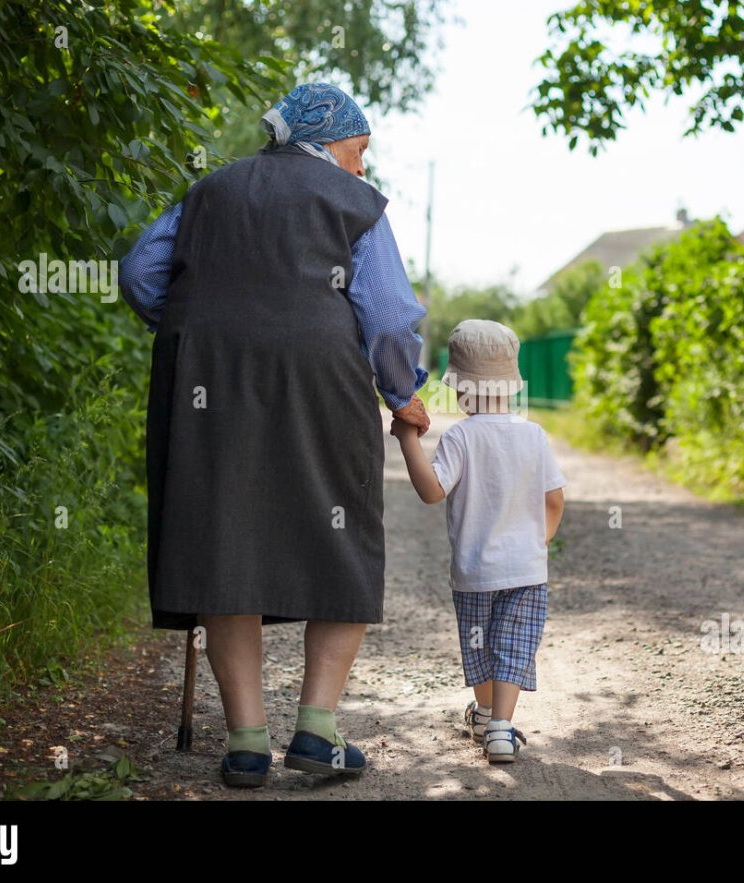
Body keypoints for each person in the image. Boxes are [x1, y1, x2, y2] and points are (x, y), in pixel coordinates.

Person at [118, 82, 431, 787]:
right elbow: (385, 316)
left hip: (210, 378)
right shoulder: (358, 203)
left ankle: (247, 743)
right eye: (358, 151)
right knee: (341, 535)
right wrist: (402, 392)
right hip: (323, 380)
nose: (361, 167)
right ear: (327, 141)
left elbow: (139, 272)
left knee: (222, 534)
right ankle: (317, 732)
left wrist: (203, 323)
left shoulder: (210, 191)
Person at [391, 319, 566, 763]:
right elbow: (555, 501)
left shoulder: (460, 437)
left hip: (474, 571)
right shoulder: (534, 435)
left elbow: (432, 491)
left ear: (460, 389)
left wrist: (408, 439)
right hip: (526, 569)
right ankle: (501, 730)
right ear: (511, 384)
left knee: (479, 646)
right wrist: (538, 543)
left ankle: (486, 714)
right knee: (513, 647)